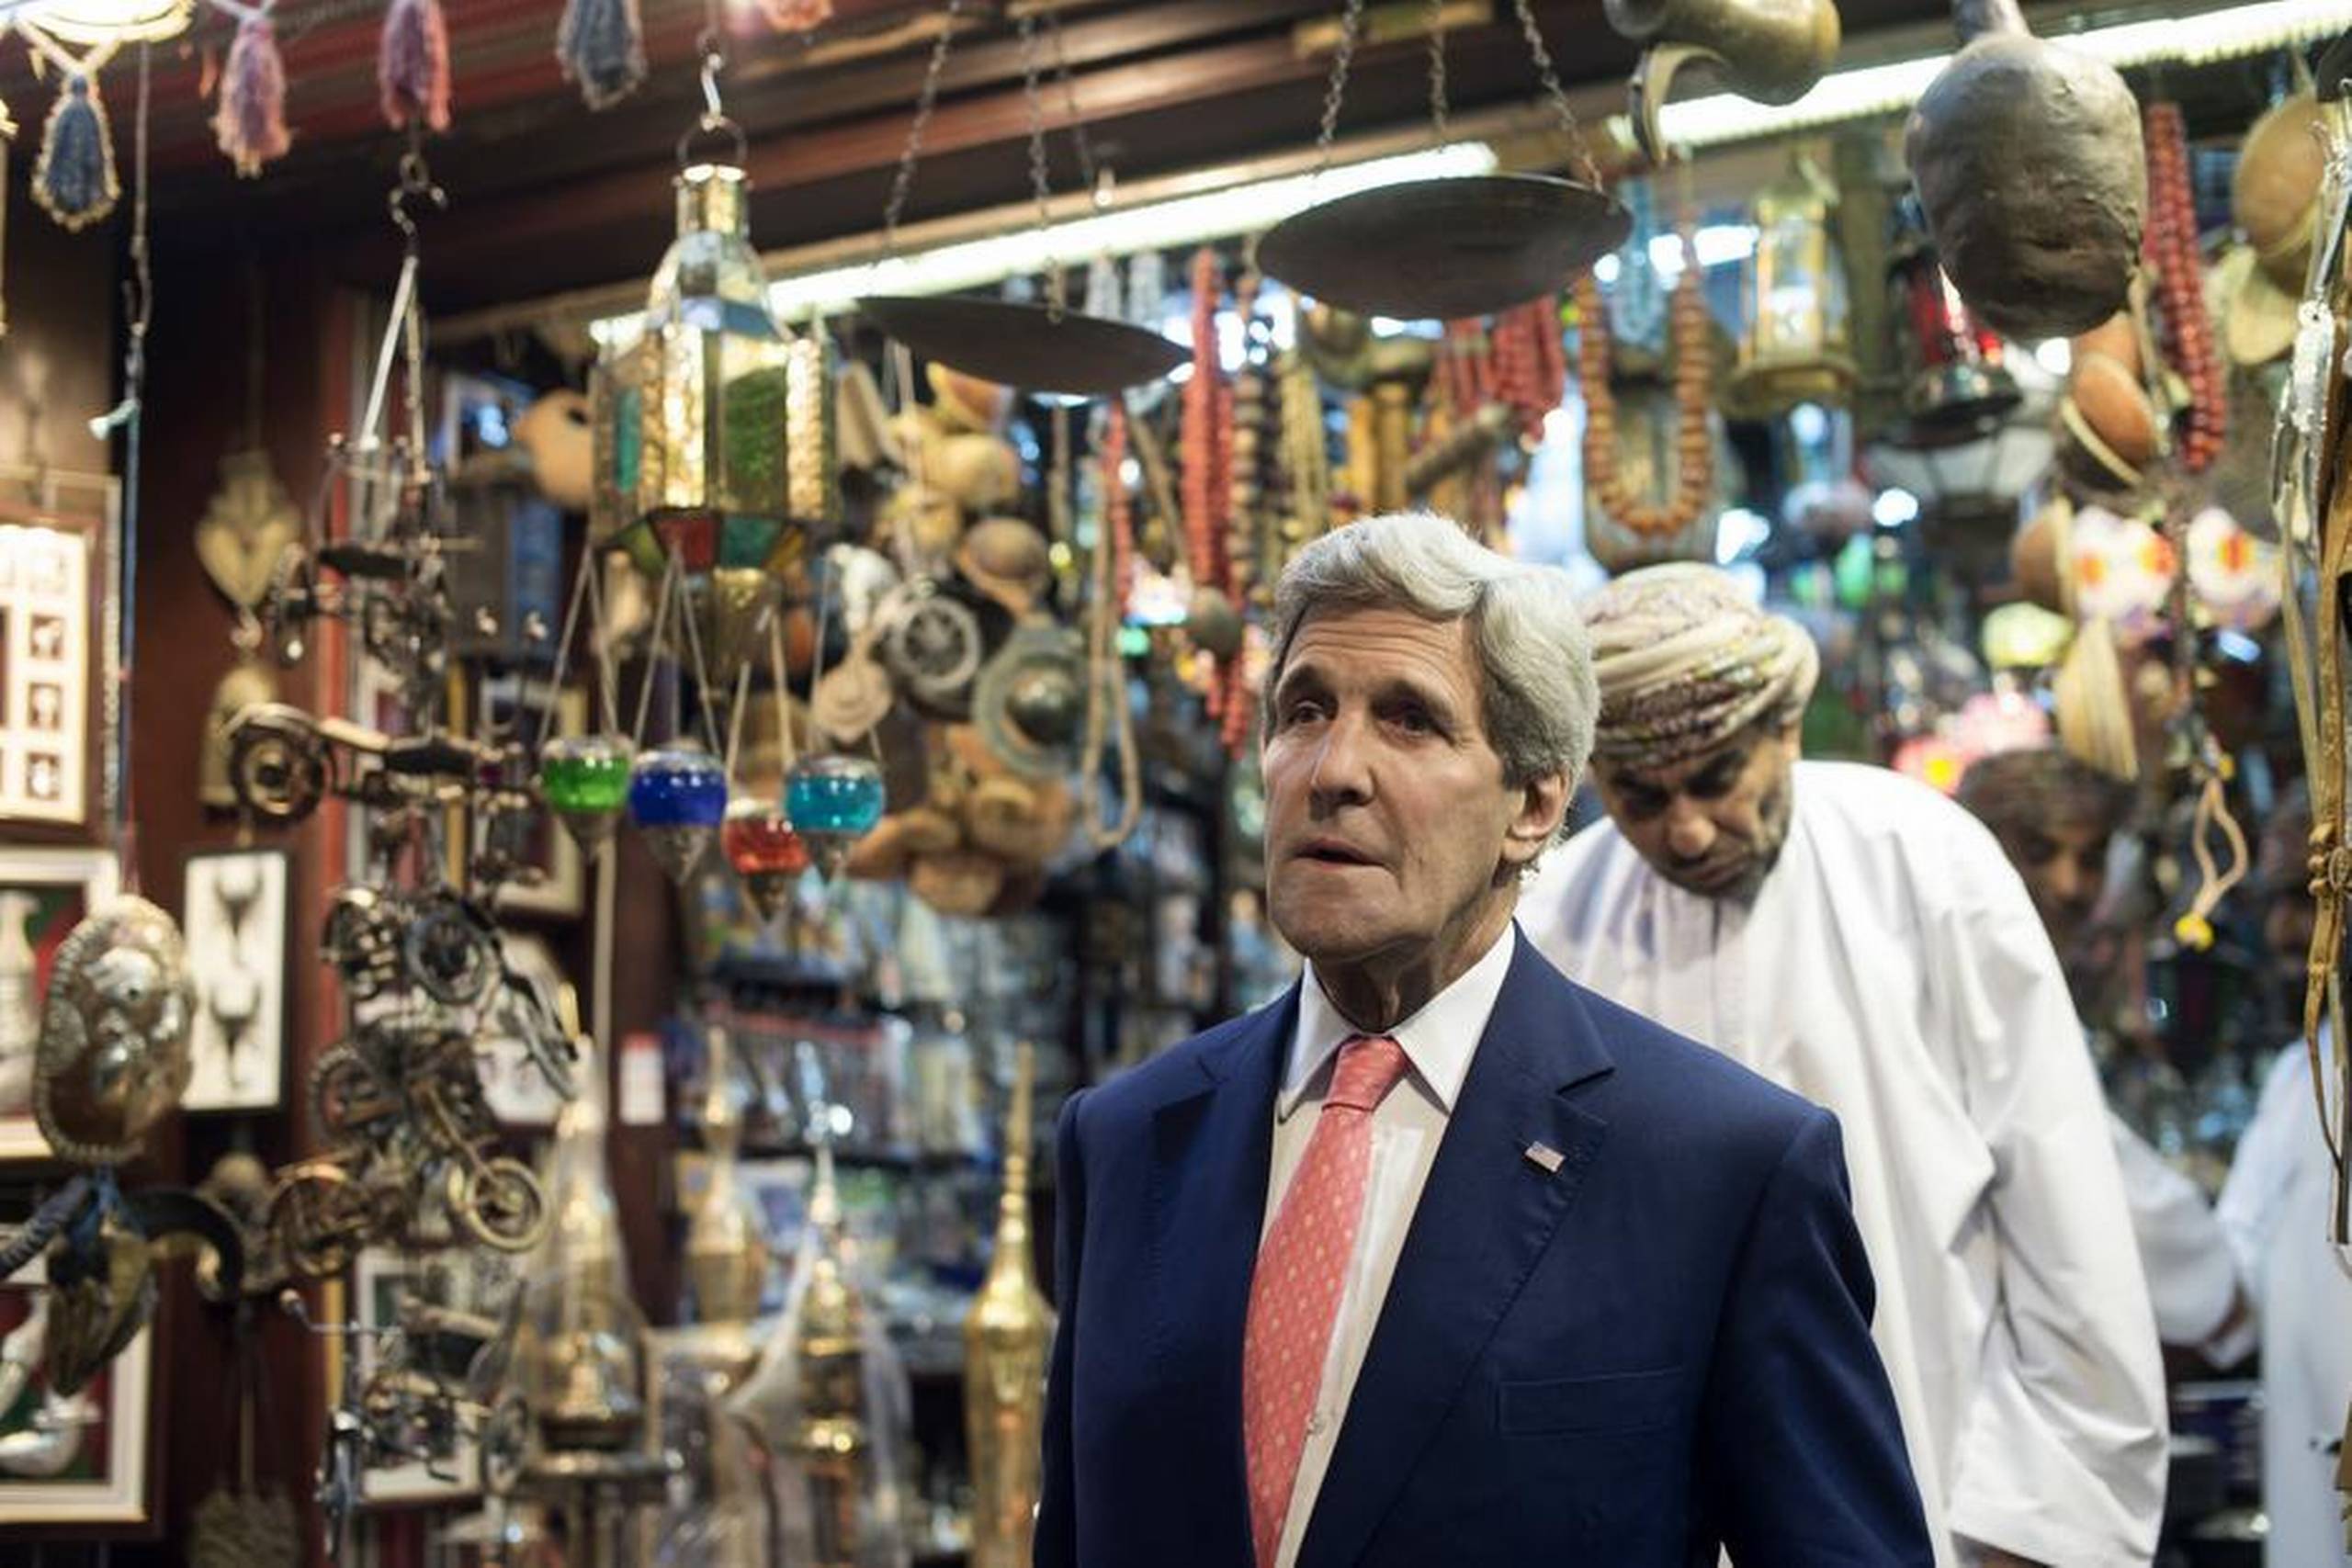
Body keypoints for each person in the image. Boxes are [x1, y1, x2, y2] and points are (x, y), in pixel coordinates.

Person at [1036, 514, 1932, 1567]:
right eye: (1304, 709)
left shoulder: (1719, 1169)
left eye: (1410, 721)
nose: (1332, 770)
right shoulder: (1127, 1140)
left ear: (1535, 802)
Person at [1522, 563, 2166, 1568]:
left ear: (1784, 729)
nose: (1685, 829)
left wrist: (2040, 1524)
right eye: (1640, 796)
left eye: (1713, 781)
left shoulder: (1924, 860)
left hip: (1941, 1491)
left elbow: (2062, 1218)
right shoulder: (1554, 915)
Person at [1955, 745, 2248, 1359]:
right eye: (2037, 852)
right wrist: (2217, 1297)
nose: (2069, 885)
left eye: (2089, 859)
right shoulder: (1972, 984)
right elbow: (2075, 1159)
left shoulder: (2014, 978)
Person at [2217, 783, 2352, 1567]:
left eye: (2301, 900)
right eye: (2274, 903)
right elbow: (2229, 1271)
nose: (2281, 931)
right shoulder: (2292, 1079)